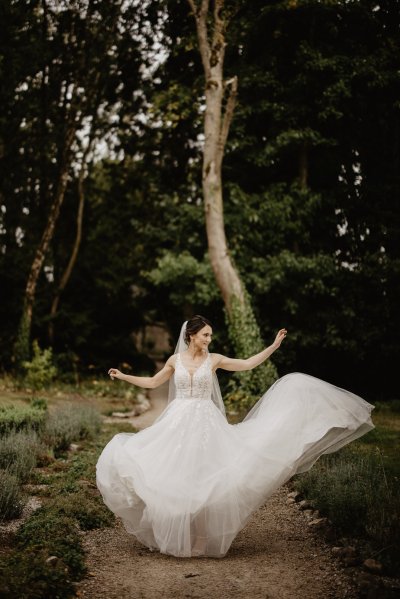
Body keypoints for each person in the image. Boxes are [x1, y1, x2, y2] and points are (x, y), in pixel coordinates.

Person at [96, 315, 374, 558]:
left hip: (206, 425)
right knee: (175, 475)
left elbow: (247, 364)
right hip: (177, 424)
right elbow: (154, 382)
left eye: (210, 335)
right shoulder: (174, 360)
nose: (208, 339)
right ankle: (176, 532)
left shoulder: (214, 360)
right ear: (191, 335)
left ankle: (202, 539)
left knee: (207, 477)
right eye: (205, 334)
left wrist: (273, 347)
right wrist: (123, 376)